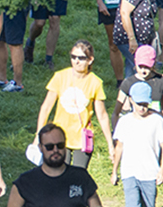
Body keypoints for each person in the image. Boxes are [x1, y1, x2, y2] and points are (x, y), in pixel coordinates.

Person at [36, 40, 114, 168]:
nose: (76, 61)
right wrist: (38, 136)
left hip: (82, 139)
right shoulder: (60, 77)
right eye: (73, 57)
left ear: (90, 60)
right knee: (59, 174)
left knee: (78, 176)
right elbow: (46, 108)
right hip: (59, 136)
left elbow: (102, 115)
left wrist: (110, 145)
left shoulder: (95, 82)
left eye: (81, 58)